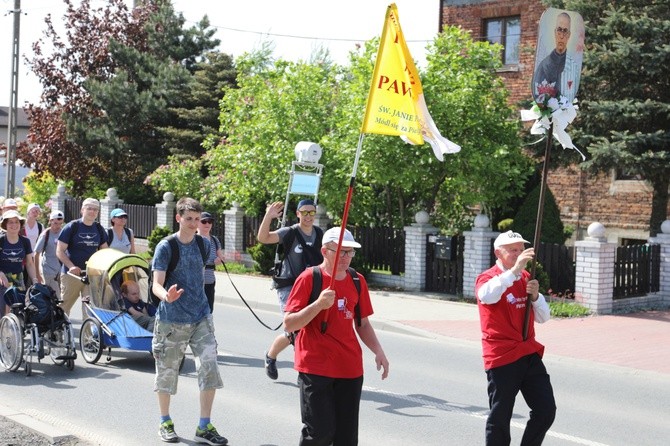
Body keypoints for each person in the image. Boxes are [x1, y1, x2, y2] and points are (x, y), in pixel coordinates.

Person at [283, 227, 389, 445]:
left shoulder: (357, 280)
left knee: (346, 437)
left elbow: (363, 323)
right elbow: (290, 322)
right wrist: (318, 305)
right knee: (319, 433)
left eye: (350, 252)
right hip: (315, 367)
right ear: (324, 251)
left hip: (349, 368)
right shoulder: (309, 278)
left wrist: (378, 351)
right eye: (340, 251)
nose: (346, 257)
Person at [151, 197, 227, 445]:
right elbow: (156, 284)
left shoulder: (203, 245)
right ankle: (165, 421)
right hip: (171, 320)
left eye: (197, 219)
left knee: (209, 368)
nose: (194, 224)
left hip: (201, 317)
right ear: (178, 218)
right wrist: (167, 296)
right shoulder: (166, 247)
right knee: (167, 372)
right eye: (189, 219)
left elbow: (201, 274)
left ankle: (204, 427)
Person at [475, 230, 556, 445]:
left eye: (521, 250)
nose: (519, 254)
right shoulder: (488, 278)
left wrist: (536, 296)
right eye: (513, 250)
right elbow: (486, 295)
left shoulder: (527, 278)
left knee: (546, 410)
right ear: (498, 253)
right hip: (501, 357)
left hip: (528, 353)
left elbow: (543, 317)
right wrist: (515, 270)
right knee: (500, 417)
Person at [257, 198, 324, 380]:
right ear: (298, 214)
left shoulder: (319, 234)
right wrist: (268, 216)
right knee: (296, 330)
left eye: (311, 212)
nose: (308, 216)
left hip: (311, 287)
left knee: (306, 330)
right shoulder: (289, 233)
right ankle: (305, 372)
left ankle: (270, 355)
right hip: (289, 288)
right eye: (304, 212)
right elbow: (263, 238)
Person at [56, 198, 109, 315]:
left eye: (95, 209)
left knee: (90, 309)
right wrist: (71, 267)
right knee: (64, 307)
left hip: (91, 274)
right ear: (82, 210)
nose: (92, 211)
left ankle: (88, 333)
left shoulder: (99, 229)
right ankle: (59, 331)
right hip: (72, 275)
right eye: (89, 208)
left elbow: (105, 251)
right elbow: (59, 251)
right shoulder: (72, 226)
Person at [532, 12, 580, 103]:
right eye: (559, 30)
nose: (561, 36)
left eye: (565, 31)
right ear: (554, 32)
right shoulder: (544, 65)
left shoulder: (573, 67)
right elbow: (538, 95)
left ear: (569, 35)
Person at [0, 210, 38, 316]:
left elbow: (30, 263)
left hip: (18, 280)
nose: (14, 225)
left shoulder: (25, 241)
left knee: (20, 313)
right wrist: (1, 274)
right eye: (10, 222)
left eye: (16, 222)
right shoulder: (1, 240)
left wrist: (35, 280)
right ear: (5, 225)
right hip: (2, 281)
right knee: (3, 313)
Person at [34, 210, 65, 301]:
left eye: (60, 223)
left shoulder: (63, 233)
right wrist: (37, 275)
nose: (57, 226)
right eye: (55, 223)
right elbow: (36, 254)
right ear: (50, 221)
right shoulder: (45, 234)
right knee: (55, 297)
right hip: (49, 270)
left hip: (62, 270)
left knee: (62, 298)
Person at [197, 211, 224, 314]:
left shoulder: (215, 240)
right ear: (198, 223)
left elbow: (220, 257)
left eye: (210, 221)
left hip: (210, 280)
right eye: (204, 222)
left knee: (209, 309)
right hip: (196, 281)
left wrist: (219, 260)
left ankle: (207, 329)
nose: (207, 224)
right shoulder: (194, 239)